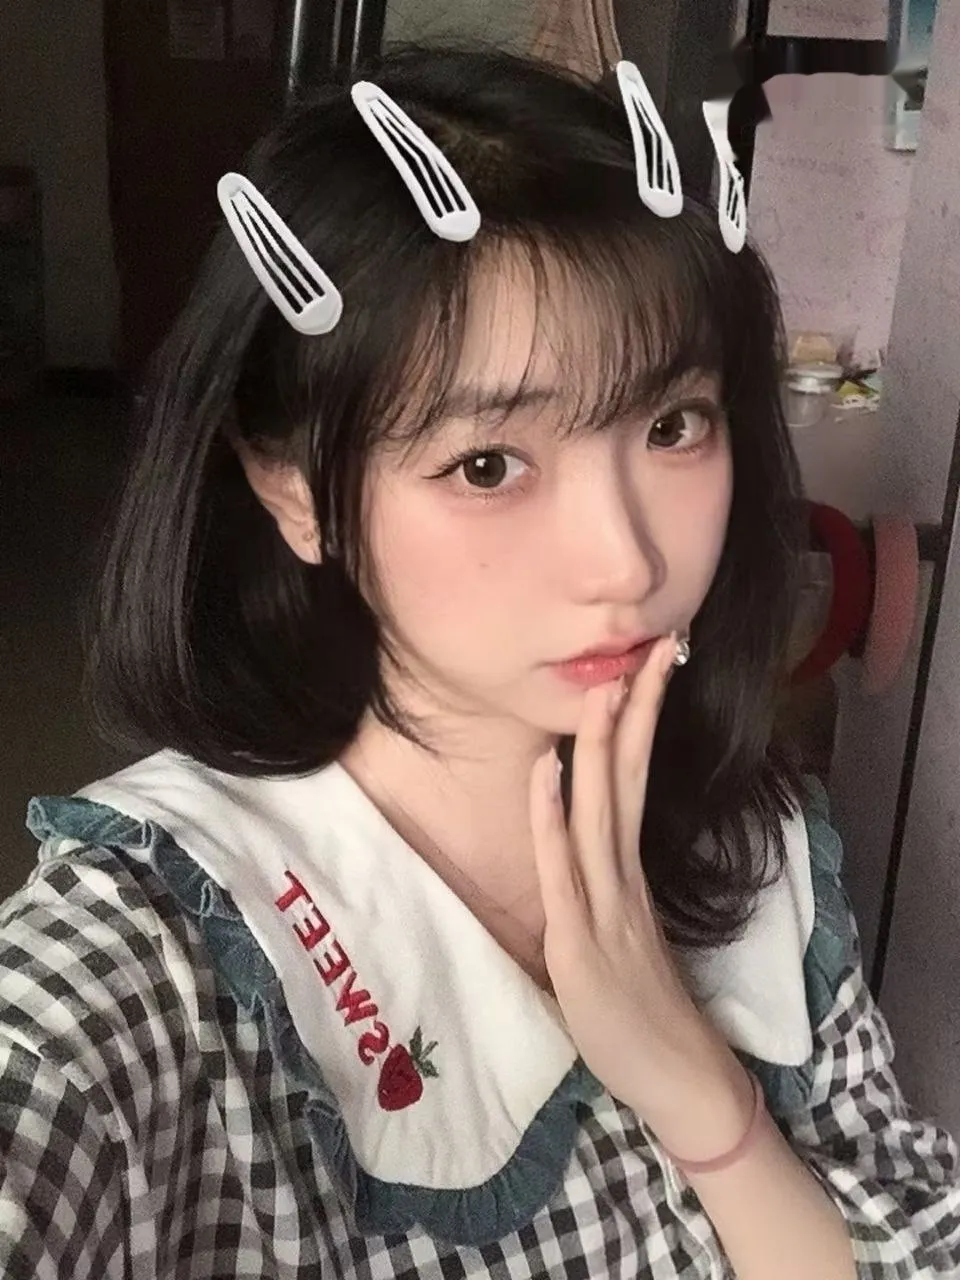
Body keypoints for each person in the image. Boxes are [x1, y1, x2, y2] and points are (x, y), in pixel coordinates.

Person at [1, 44, 958, 1280]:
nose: (625, 559)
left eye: (673, 424)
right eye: (488, 464)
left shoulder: (759, 853)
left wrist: (701, 1092)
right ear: (294, 488)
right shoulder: (154, 959)